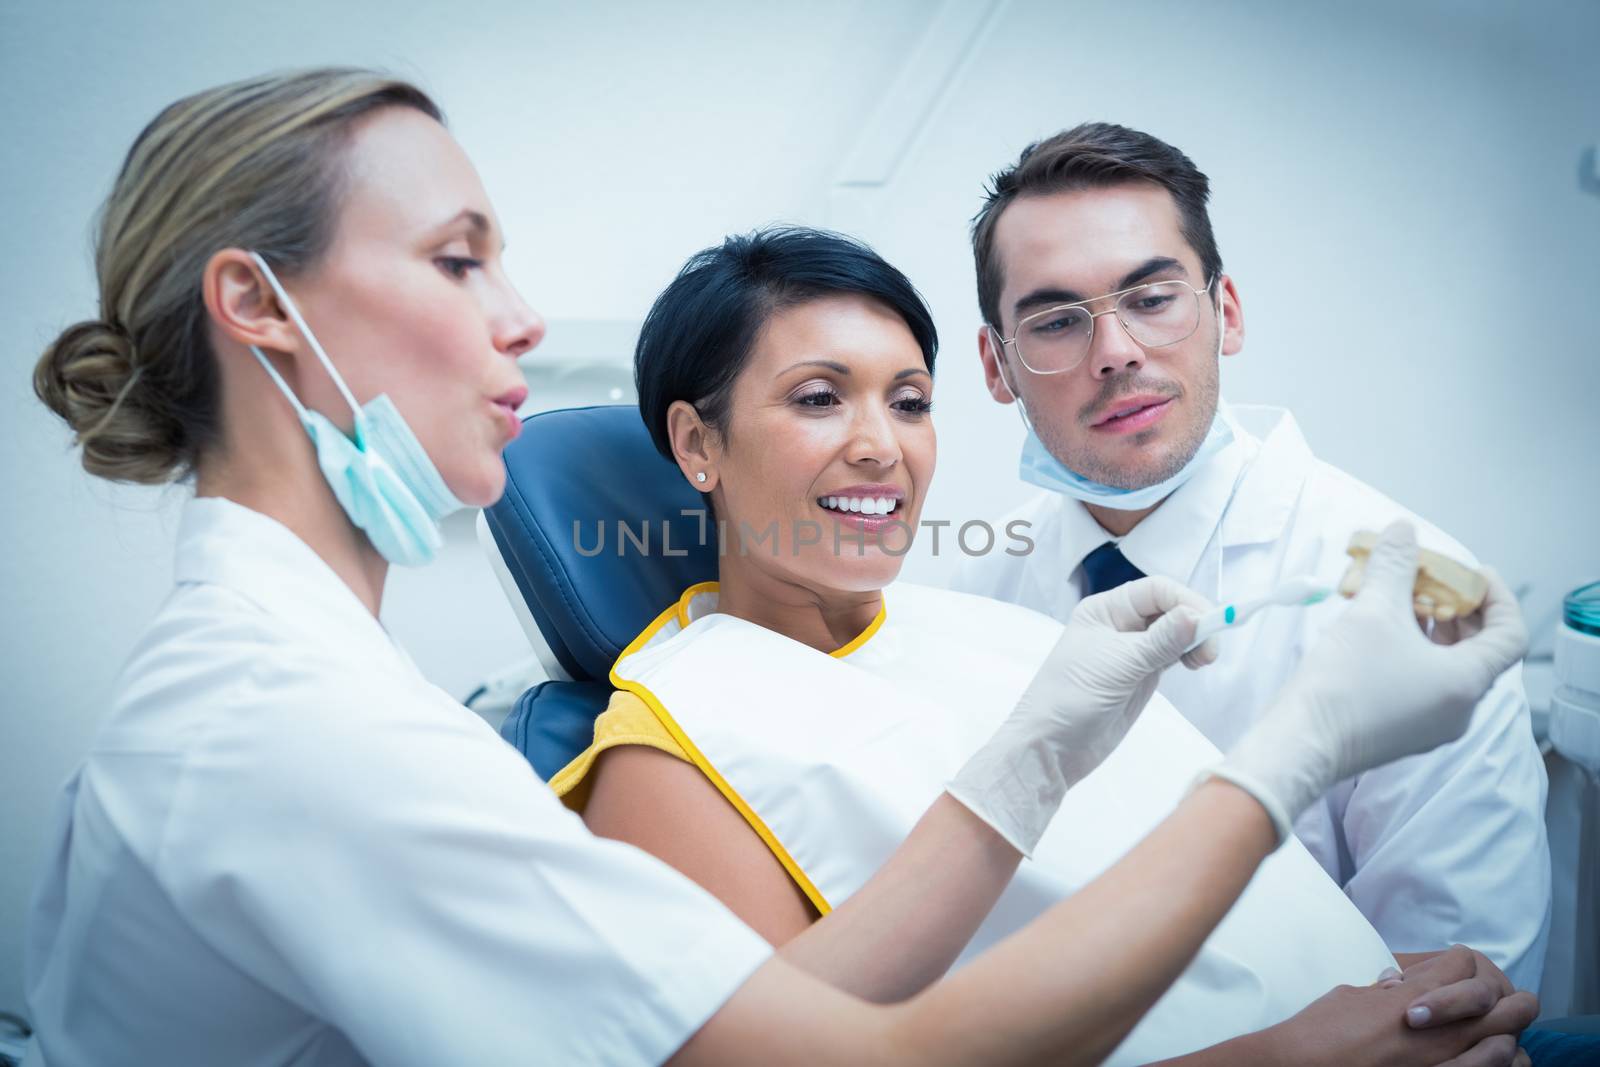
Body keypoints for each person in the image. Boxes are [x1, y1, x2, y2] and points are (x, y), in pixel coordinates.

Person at [20, 69, 1528, 1067]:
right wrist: (1298, 756)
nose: (526, 317)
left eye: (911, 398)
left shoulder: (1001, 626)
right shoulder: (302, 728)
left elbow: (804, 1000)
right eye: (458, 257)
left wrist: (1035, 749)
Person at [552, 227, 1537, 1065]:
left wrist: (1380, 987)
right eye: (819, 398)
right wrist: (1277, 1054)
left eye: (907, 400)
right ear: (696, 446)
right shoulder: (667, 752)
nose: (880, 445)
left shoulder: (994, 628)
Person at [952, 122, 1552, 991]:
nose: (1115, 351)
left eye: (1153, 299)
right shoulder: (978, 594)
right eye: (1054, 321)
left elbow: (1455, 994)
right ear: (997, 365)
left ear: (1225, 313)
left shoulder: (1407, 601)